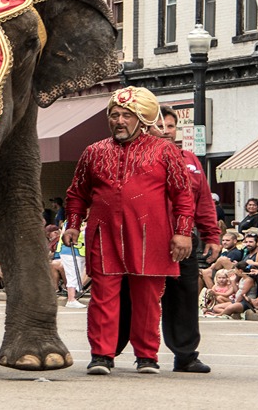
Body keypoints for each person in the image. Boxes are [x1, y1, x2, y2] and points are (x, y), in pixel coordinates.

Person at [64, 86, 194, 376]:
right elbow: (77, 193)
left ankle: (147, 356)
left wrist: (183, 232)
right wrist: (72, 224)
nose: (119, 121)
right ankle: (101, 355)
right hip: (105, 234)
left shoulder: (165, 151)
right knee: (103, 295)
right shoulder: (93, 152)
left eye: (126, 115)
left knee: (148, 298)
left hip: (152, 235)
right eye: (114, 115)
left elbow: (183, 194)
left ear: (142, 119)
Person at [115, 104, 220, 373]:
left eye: (170, 126)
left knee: (184, 297)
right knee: (131, 296)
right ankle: (108, 350)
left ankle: (185, 356)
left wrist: (211, 235)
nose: (165, 131)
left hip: (183, 240)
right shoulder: (134, 158)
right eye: (158, 126)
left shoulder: (192, 161)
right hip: (145, 239)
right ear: (146, 127)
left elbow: (203, 201)